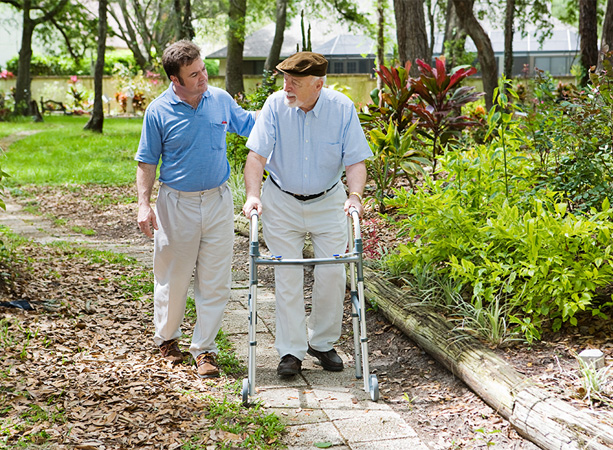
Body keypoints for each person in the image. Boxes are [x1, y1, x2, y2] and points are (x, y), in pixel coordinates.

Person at [242, 52, 372, 377]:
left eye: (294, 82)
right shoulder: (275, 106)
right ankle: (290, 350)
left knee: (333, 272)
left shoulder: (341, 108)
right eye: (285, 79)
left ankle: (322, 342)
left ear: (318, 84)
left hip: (328, 200)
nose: (286, 86)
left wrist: (355, 196)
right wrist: (253, 195)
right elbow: (256, 157)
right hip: (282, 200)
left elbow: (356, 161)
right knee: (288, 275)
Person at [135, 40, 256, 379]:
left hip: (218, 201)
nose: (203, 77)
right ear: (176, 79)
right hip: (177, 204)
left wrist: (285, 109)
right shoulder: (158, 111)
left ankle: (204, 350)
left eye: (203, 69)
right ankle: (168, 340)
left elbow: (251, 126)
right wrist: (144, 204)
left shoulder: (219, 100)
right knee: (174, 278)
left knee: (216, 281)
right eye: (194, 74)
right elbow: (147, 161)